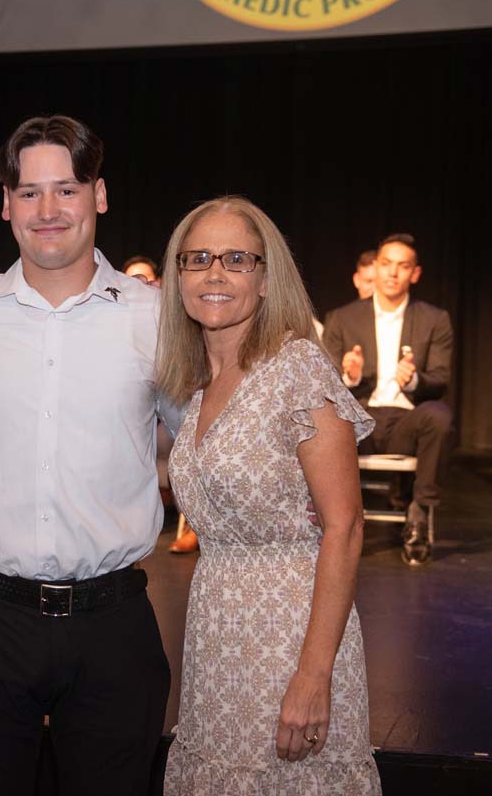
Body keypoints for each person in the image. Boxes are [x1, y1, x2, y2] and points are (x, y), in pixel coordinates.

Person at [0, 115, 172, 796]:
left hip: (114, 627)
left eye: (66, 189)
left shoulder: (155, 318)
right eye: (29, 191)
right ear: (5, 203)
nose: (47, 210)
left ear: (99, 195)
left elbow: (204, 436)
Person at [156, 196, 381, 795]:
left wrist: (313, 675)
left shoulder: (297, 368)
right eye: (197, 258)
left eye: (236, 258)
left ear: (265, 277)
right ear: (177, 274)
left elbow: (346, 526)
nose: (215, 274)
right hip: (216, 636)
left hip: (291, 635)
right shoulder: (196, 387)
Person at [322, 233, 454, 565]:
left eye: (402, 266)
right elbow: (321, 385)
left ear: (415, 274)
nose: (393, 273)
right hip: (359, 420)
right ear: (375, 269)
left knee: (439, 415)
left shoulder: (434, 319)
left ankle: (418, 514)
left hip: (404, 422)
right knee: (322, 419)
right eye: (386, 265)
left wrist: (414, 381)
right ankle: (334, 522)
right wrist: (348, 376)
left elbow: (440, 380)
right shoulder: (343, 317)